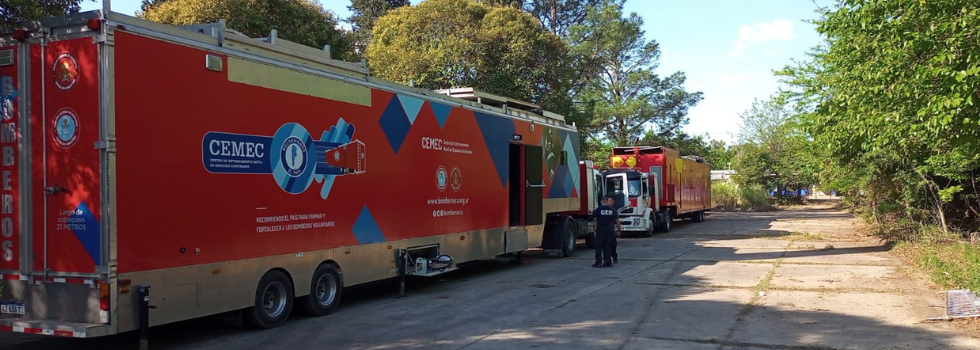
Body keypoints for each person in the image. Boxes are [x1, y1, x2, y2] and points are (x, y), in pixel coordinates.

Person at [590, 195, 621, 268]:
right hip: (610, 230)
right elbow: (617, 221)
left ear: (601, 201)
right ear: (607, 201)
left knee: (598, 246)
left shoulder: (599, 209)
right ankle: (608, 262)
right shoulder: (613, 210)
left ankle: (598, 262)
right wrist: (619, 230)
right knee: (607, 246)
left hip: (601, 229)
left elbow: (591, 218)